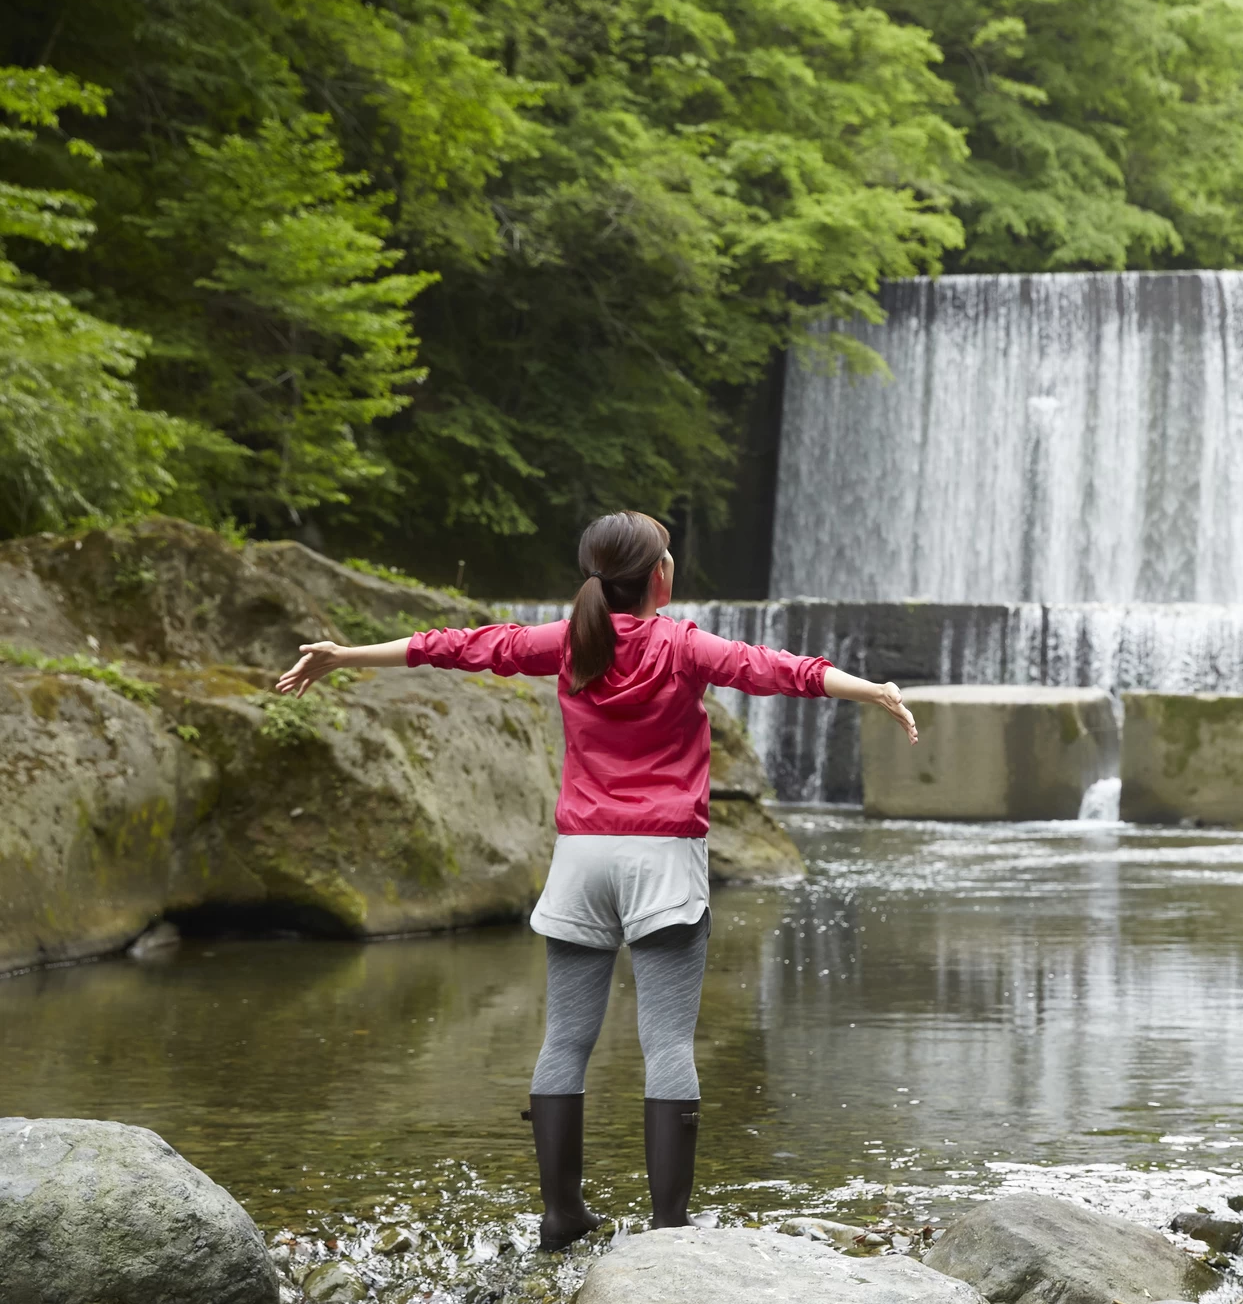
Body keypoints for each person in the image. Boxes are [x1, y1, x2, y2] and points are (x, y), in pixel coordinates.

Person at [275, 510, 917, 1250]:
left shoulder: (566, 639)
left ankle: (562, 1214)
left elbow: (455, 648)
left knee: (566, 1038)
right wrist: (871, 689)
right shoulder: (684, 645)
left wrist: (347, 655)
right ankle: (668, 1227)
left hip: (582, 857)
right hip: (665, 859)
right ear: (661, 578)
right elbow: (778, 669)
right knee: (668, 1043)